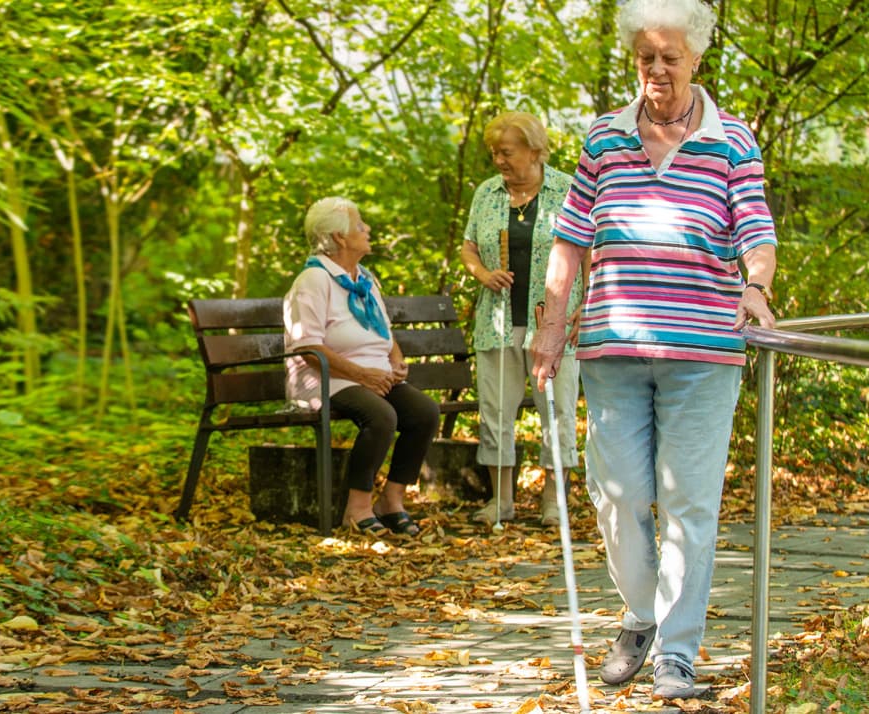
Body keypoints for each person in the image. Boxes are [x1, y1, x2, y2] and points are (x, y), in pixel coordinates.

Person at [527, 0, 779, 700]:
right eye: (646, 58)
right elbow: (570, 242)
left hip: (703, 351)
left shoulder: (734, 141)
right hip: (612, 346)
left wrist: (754, 286)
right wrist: (551, 329)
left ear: (697, 58)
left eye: (671, 57)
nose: (658, 70)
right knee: (619, 499)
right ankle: (641, 612)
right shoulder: (604, 139)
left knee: (690, 504)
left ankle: (676, 653)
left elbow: (756, 232)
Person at [457, 112, 587, 528]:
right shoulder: (487, 194)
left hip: (555, 322)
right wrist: (482, 273)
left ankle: (554, 503)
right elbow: (469, 248)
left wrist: (589, 301)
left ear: (535, 150)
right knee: (496, 411)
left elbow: (590, 250)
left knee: (558, 409)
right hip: (496, 321)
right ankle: (501, 501)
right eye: (494, 152)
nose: (498, 160)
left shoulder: (568, 190)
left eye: (506, 152)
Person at [285, 197, 441, 538]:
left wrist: (395, 359)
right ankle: (356, 508)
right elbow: (307, 346)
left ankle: (391, 501)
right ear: (340, 237)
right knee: (382, 416)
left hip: (372, 376)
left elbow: (384, 331)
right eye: (359, 225)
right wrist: (361, 374)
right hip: (325, 379)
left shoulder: (364, 280)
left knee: (425, 412)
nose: (367, 229)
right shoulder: (314, 280)